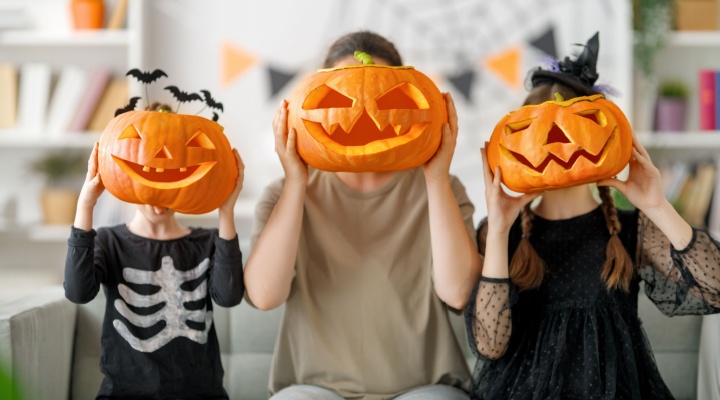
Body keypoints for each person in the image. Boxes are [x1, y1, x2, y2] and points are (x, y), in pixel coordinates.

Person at [465, 33, 720, 399]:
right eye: (531, 131)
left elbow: (717, 289)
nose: (554, 142)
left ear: (602, 132)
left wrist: (657, 206)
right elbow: (489, 344)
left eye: (572, 126)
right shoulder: (498, 234)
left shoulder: (633, 230)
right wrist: (502, 223)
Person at [244, 31, 481, 399]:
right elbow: (263, 295)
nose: (364, 110)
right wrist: (296, 182)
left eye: (387, 99)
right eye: (341, 97)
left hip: (425, 388)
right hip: (315, 389)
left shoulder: (443, 187)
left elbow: (458, 294)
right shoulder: (283, 193)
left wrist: (435, 176)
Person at [64, 140, 245, 399]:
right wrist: (85, 205)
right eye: (149, 182)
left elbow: (229, 296)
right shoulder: (110, 242)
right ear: (129, 176)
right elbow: (77, 292)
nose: (159, 200)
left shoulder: (208, 242)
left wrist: (226, 211)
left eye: (171, 182)